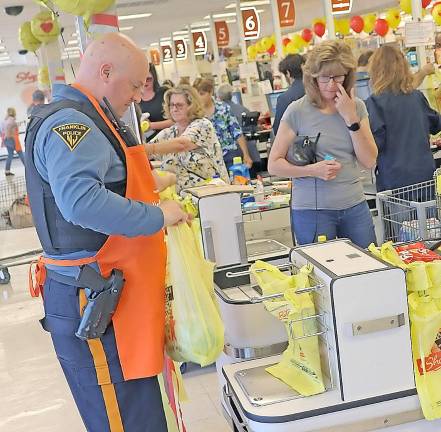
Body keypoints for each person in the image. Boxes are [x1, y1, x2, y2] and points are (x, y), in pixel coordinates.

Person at [24, 33, 189, 432]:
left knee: (138, 411)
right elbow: (81, 203)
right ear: (105, 71)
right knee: (124, 419)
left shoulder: (90, 116)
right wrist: (157, 216)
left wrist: (151, 181)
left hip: (109, 296)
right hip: (94, 301)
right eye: (135, 85)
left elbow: (107, 178)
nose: (138, 96)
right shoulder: (71, 124)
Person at [268, 40, 378, 248]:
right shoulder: (297, 110)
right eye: (324, 78)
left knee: (369, 264)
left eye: (337, 77)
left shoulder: (357, 107)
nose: (330, 84)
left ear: (347, 76)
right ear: (312, 78)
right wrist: (313, 170)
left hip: (354, 205)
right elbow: (274, 164)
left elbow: (370, 160)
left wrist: (350, 118)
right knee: (321, 272)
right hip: (312, 210)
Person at [365, 45, 441, 192]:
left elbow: (375, 145)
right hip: (425, 176)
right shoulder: (416, 97)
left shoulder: (374, 103)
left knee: (399, 214)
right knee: (430, 214)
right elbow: (436, 124)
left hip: (395, 181)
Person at [147, 85, 229, 192]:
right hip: (184, 199)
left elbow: (182, 144)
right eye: (171, 105)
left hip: (213, 195)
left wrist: (150, 149)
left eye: (179, 105)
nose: (174, 109)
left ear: (192, 106)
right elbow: (145, 153)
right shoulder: (169, 133)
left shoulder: (203, 124)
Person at [196, 79, 253, 169]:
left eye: (202, 94)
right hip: (208, 159)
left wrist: (246, 154)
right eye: (196, 94)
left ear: (210, 92)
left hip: (229, 155)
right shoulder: (196, 113)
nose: (199, 97)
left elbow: (237, 132)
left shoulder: (224, 108)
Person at [217, 83, 262, 177]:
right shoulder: (243, 109)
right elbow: (254, 129)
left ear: (219, 97)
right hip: (251, 154)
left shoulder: (221, 112)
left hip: (232, 157)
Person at [273, 54, 306, 135]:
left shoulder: (285, 98)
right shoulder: (316, 89)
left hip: (298, 143)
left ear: (288, 73)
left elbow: (278, 129)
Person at [140, 64, 173, 141]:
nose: (145, 82)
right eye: (142, 79)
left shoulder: (165, 93)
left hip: (168, 139)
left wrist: (151, 125)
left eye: (148, 79)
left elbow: (176, 120)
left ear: (154, 77)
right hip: (147, 142)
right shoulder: (134, 97)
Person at [2, 107, 25, 176]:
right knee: (20, 154)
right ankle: (28, 168)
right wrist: (10, 136)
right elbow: (10, 130)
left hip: (7, 139)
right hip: (12, 139)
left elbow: (6, 130)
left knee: (10, 155)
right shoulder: (12, 120)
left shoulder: (6, 120)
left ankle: (7, 171)